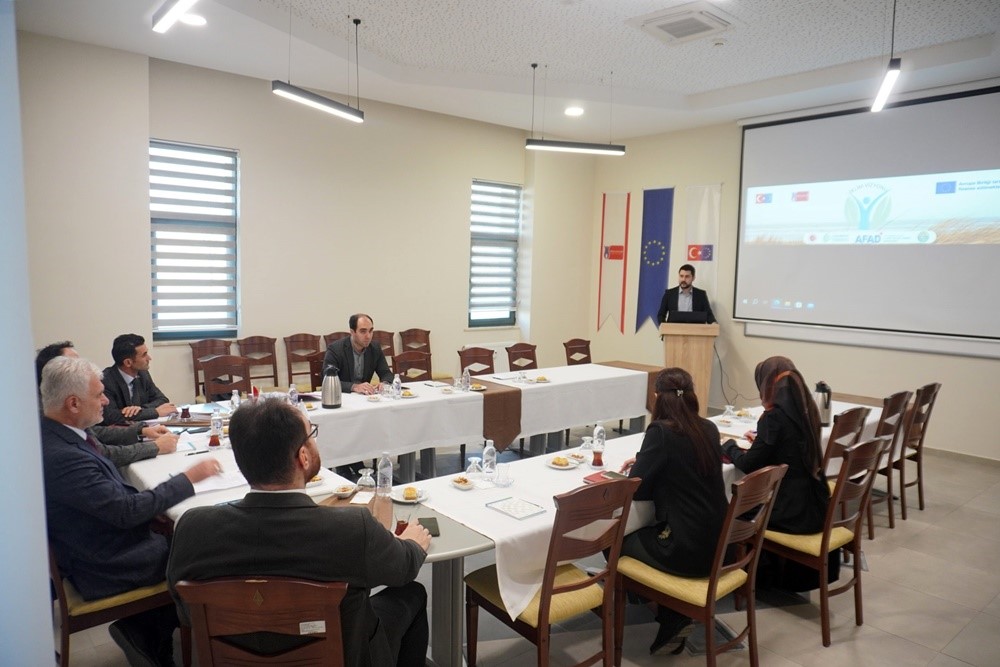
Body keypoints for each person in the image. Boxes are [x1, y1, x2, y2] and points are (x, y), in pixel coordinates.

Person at [167, 398, 431, 667]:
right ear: (303, 457)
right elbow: (403, 569)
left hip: (232, 657)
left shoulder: (192, 529)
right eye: (311, 434)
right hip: (342, 655)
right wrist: (413, 543)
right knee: (412, 594)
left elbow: (186, 613)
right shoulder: (352, 528)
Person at [40, 355, 220, 666]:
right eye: (99, 395)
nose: (106, 400)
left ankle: (146, 628)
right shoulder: (62, 455)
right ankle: (155, 638)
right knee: (200, 550)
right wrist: (188, 479)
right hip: (104, 562)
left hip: (98, 542)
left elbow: (108, 497)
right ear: (72, 403)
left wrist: (154, 510)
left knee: (178, 531)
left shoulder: (57, 434)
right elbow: (124, 511)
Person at [617, 367, 728, 655]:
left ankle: (671, 613)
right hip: (718, 546)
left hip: (686, 548)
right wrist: (647, 460)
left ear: (657, 398)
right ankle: (670, 610)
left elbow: (637, 489)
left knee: (615, 541)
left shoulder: (660, 432)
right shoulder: (709, 428)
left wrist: (644, 465)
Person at [722, 356, 835, 590]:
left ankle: (743, 575)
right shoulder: (808, 410)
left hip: (789, 511)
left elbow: (749, 463)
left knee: (730, 507)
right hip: (815, 503)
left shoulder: (774, 418)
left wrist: (728, 445)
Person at [35, 341, 178, 466]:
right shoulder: (43, 416)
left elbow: (95, 432)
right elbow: (101, 451)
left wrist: (140, 430)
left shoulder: (59, 406)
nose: (85, 368)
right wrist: (155, 447)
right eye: (73, 365)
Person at [101, 333, 177, 425]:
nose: (149, 358)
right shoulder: (106, 381)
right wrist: (155, 412)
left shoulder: (143, 374)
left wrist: (140, 409)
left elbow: (162, 399)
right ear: (128, 362)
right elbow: (111, 416)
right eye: (144, 355)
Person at [323, 313, 393, 395]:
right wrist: (354, 387)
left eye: (370, 331)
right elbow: (327, 379)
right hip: (342, 396)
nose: (368, 336)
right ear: (352, 332)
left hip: (365, 397)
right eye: (363, 331)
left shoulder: (375, 348)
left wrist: (384, 383)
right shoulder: (335, 349)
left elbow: (386, 373)